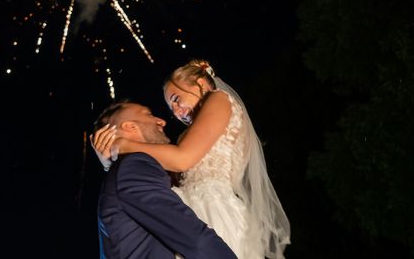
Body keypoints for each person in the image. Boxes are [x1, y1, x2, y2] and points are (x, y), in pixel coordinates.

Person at [93, 60, 290, 259]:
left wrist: (121, 146)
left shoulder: (218, 99)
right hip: (192, 209)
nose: (177, 112)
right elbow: (161, 183)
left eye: (177, 99)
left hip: (214, 207)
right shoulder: (186, 138)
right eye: (171, 108)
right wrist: (112, 163)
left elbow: (182, 160)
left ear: (201, 84)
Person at [94, 99, 237, 259]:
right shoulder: (134, 165)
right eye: (148, 114)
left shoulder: (123, 170)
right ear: (130, 126)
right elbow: (193, 238)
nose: (161, 121)